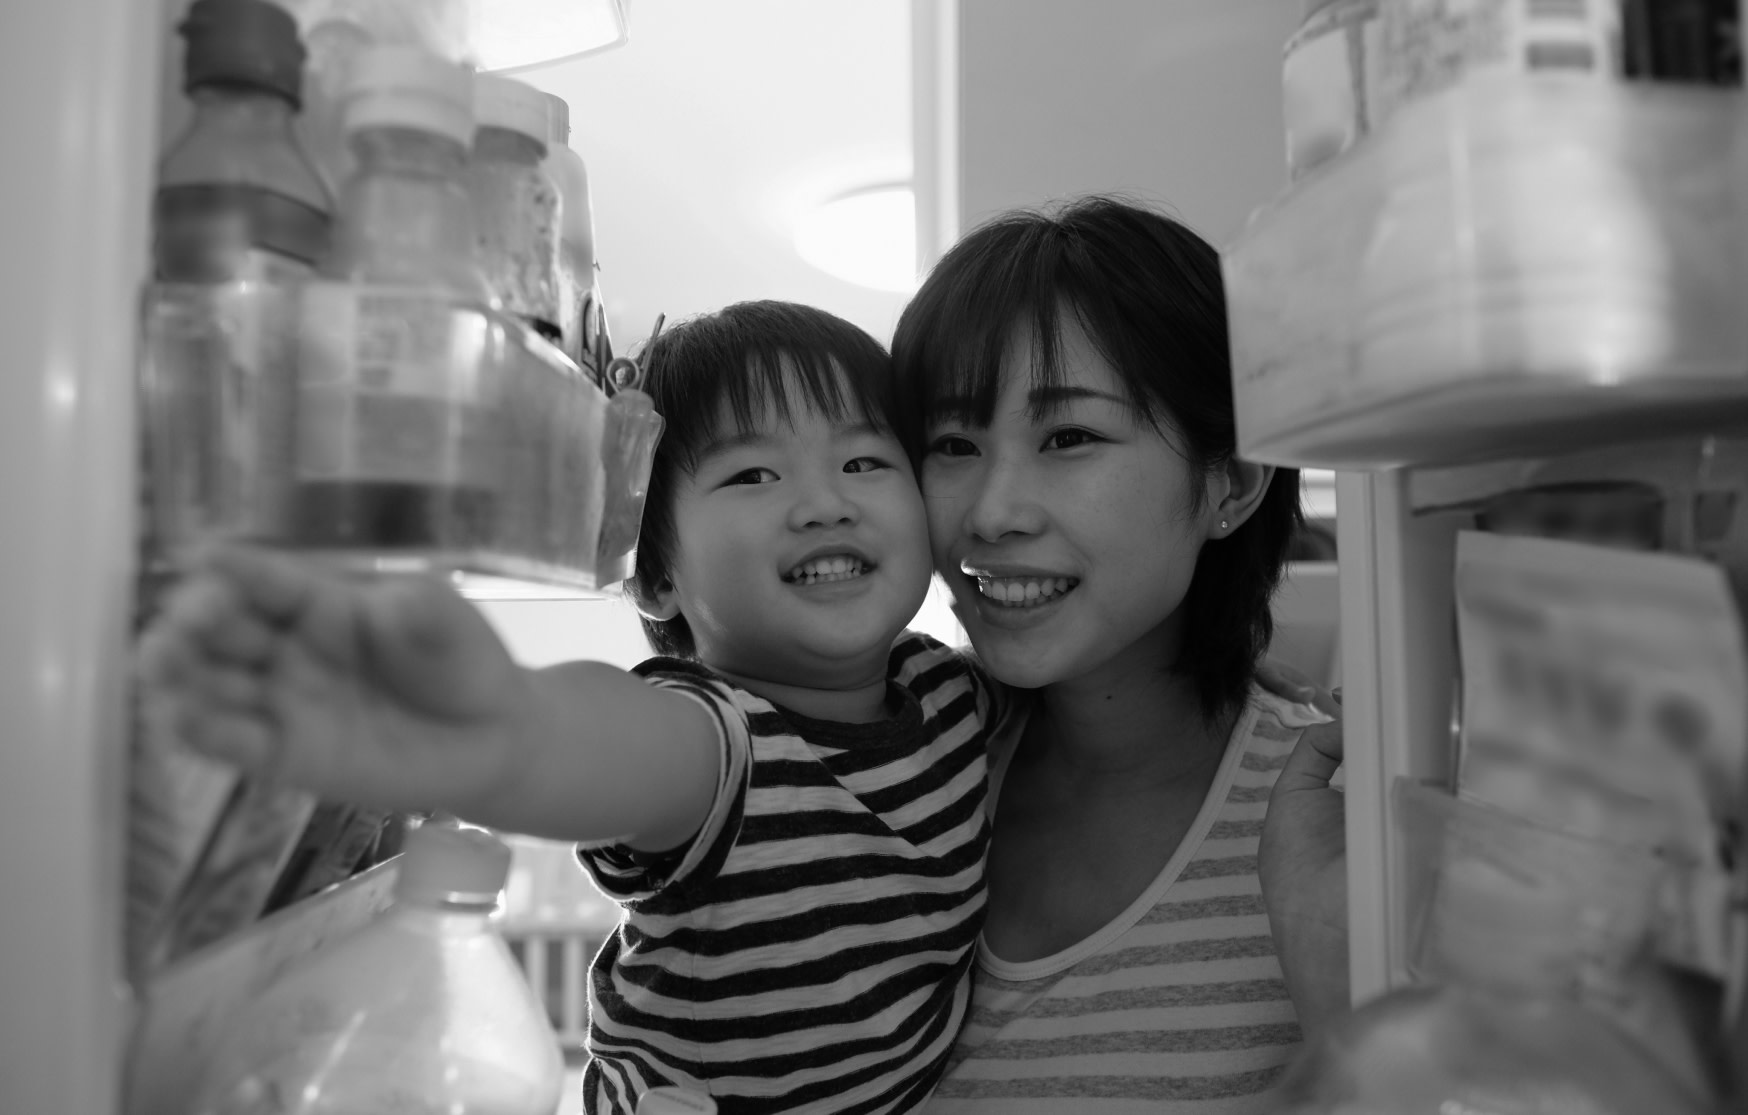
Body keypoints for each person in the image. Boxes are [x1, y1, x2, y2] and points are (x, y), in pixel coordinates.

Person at [137, 301, 1009, 1114]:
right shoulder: (718, 738)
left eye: (864, 461)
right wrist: (497, 731)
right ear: (659, 576)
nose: (824, 502)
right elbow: (599, 745)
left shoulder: (955, 699)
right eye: (753, 474)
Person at [887, 195, 1347, 1112]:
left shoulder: (1322, 827)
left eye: (1069, 437)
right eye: (952, 443)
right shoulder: (904, 776)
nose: (992, 511)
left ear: (1234, 481)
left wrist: (1343, 1002)